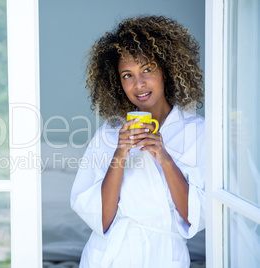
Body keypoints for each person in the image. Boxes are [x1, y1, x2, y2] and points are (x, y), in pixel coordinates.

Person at [70, 16, 205, 267]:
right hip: (111, 256)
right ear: (118, 82)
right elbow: (101, 219)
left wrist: (164, 158)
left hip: (165, 255)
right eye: (127, 75)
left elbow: (194, 216)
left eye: (147, 70)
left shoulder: (197, 131)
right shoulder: (109, 135)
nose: (139, 84)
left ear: (166, 69)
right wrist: (120, 153)